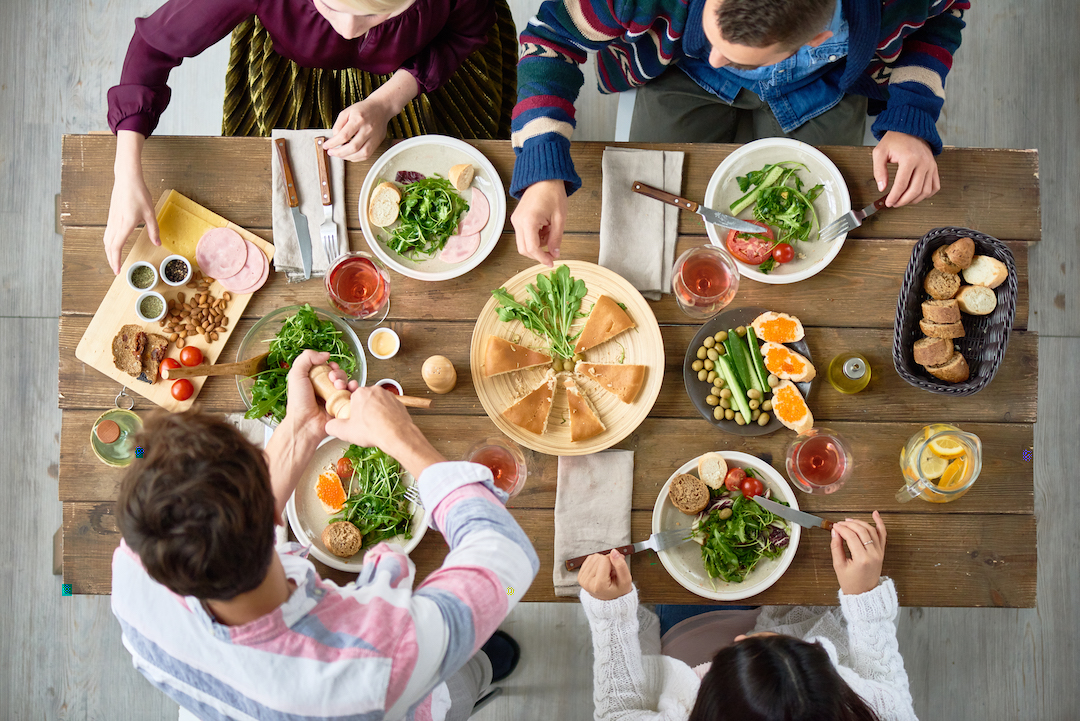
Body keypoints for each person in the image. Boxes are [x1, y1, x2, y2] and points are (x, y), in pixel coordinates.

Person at [111, 350, 538, 720]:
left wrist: (300, 427)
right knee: (461, 679)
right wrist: (403, 438)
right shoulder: (375, 662)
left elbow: (231, 513)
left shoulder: (137, 561)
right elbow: (511, 557)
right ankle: (479, 670)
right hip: (379, 703)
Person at [510, 0, 969, 266]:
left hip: (826, 83)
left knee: (821, 213)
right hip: (679, 72)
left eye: (737, 56)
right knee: (646, 204)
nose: (716, 57)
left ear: (818, 36)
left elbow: (941, 20)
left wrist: (912, 115)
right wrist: (542, 168)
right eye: (712, 36)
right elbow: (550, 38)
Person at [103, 0, 519, 273]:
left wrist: (389, 102)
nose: (350, 29)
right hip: (293, 78)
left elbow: (467, 30)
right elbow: (152, 48)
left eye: (378, 14)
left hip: (422, 75)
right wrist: (125, 171)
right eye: (330, 4)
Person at [577, 511, 917, 720]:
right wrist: (865, 596)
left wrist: (611, 614)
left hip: (689, 636)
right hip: (805, 607)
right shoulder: (878, 714)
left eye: (728, 654)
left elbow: (618, 713)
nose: (738, 639)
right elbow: (886, 682)